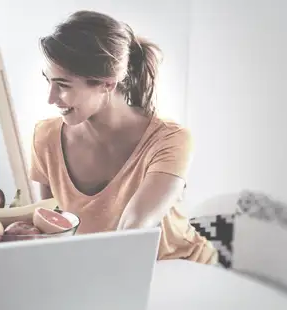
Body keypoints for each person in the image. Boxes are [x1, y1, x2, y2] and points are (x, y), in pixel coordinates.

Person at [30, 10, 218, 264]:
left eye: (63, 85)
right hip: (109, 273)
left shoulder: (170, 140)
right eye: (49, 82)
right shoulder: (45, 137)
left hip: (181, 269)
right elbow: (50, 228)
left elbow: (134, 228)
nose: (51, 98)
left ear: (107, 83)